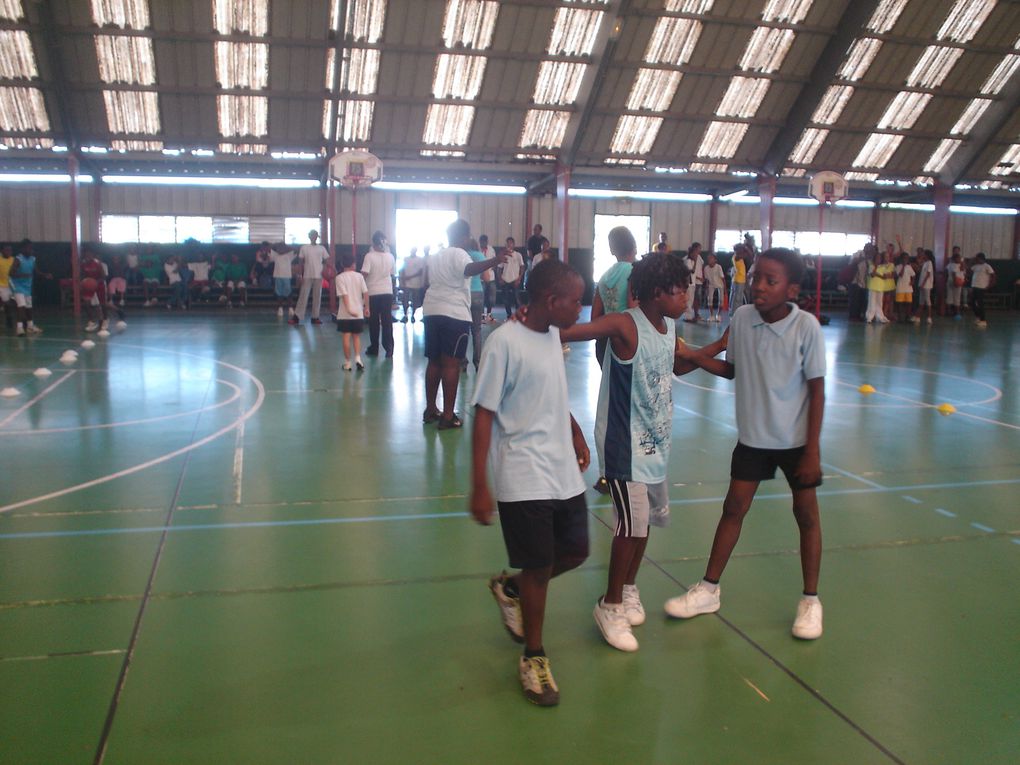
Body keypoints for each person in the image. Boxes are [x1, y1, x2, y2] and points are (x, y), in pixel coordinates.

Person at [559, 252, 728, 653]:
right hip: (623, 445)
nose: (687, 296)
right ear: (656, 292)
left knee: (644, 523)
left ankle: (629, 588)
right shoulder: (624, 324)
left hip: (655, 444)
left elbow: (675, 366)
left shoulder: (668, 327)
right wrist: (538, 326)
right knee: (629, 526)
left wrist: (721, 347)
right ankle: (610, 604)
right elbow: (573, 332)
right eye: (679, 290)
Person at [666, 248, 827, 641]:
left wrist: (813, 450)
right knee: (733, 509)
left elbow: (817, 391)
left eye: (771, 281)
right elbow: (733, 369)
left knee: (805, 516)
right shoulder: (741, 318)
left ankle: (810, 601)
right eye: (756, 278)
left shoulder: (806, 328)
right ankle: (708, 589)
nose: (759, 287)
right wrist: (695, 357)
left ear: (791, 288)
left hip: (795, 441)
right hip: (753, 438)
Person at [470, 258, 590, 706]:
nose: (581, 308)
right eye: (575, 301)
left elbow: (553, 392)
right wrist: (480, 484)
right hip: (522, 471)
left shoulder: (554, 335)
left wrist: (575, 432)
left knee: (575, 551)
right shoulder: (504, 343)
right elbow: (484, 413)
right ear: (549, 299)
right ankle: (534, 658)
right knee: (540, 566)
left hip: (561, 468)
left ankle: (513, 588)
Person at [421, 218, 506, 430]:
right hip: (454, 314)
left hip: (431, 310)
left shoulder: (436, 256)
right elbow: (469, 269)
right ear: (463, 236)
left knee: (434, 362)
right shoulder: (460, 253)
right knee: (451, 364)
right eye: (468, 236)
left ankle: (431, 409)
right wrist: (494, 261)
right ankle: (448, 416)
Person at [361, 231, 395, 356]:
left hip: (373, 292)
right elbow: (392, 274)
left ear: (373, 242)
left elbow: (364, 274)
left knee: (373, 321)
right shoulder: (390, 256)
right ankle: (389, 348)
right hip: (387, 292)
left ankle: (374, 348)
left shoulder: (369, 256)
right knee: (387, 321)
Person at [335, 253, 369, 371]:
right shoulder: (359, 277)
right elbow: (365, 293)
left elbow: (344, 295)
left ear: (342, 264)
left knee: (346, 336)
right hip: (358, 313)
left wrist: (349, 310)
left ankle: (348, 362)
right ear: (353, 264)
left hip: (345, 314)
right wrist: (367, 308)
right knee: (356, 337)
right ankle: (358, 359)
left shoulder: (339, 278)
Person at [10, 239, 50, 335]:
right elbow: (11, 273)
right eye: (28, 248)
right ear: (23, 249)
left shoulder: (32, 259)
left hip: (27, 287)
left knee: (29, 307)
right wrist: (22, 275)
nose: (31, 250)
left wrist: (44, 275)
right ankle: (19, 328)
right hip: (17, 286)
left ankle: (30, 326)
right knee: (21, 306)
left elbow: (36, 271)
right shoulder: (18, 259)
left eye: (32, 248)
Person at [291, 230, 328, 326]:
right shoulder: (304, 248)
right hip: (307, 274)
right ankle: (297, 317)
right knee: (303, 295)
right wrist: (299, 274)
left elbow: (327, 260)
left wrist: (325, 270)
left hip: (319, 275)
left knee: (317, 297)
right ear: (309, 236)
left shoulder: (322, 248)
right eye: (312, 235)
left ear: (317, 237)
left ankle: (315, 317)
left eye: (315, 235)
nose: (313, 237)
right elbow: (300, 262)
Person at [498, 236, 524, 319]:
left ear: (514, 244)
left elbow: (522, 267)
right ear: (505, 245)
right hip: (505, 279)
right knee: (506, 300)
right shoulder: (503, 255)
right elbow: (499, 268)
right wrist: (500, 278)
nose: (509, 245)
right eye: (507, 243)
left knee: (517, 299)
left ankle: (518, 316)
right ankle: (509, 315)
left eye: (511, 243)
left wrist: (519, 278)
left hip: (515, 279)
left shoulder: (518, 255)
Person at [398, 247, 425, 323]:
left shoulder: (419, 260)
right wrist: (402, 279)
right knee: (405, 299)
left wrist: (410, 276)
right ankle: (405, 315)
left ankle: (413, 316)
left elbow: (420, 271)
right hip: (406, 283)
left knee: (415, 301)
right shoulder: (406, 259)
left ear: (416, 251)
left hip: (416, 283)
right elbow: (402, 269)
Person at [969, 252, 996, 328]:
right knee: (971, 302)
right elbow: (969, 270)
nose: (976, 260)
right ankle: (978, 317)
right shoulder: (975, 266)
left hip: (981, 287)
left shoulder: (987, 266)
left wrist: (990, 285)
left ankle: (983, 320)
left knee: (980, 304)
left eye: (977, 259)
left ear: (981, 259)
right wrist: (971, 260)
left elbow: (993, 275)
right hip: (974, 287)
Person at [269, 243, 296, 318]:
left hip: (287, 276)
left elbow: (297, 250)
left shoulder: (289, 255)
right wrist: (276, 245)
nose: (281, 249)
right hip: (277, 276)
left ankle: (290, 308)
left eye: (282, 247)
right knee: (279, 293)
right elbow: (269, 248)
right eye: (279, 248)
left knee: (288, 292)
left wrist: (287, 247)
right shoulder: (275, 255)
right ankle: (280, 308)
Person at [865, 249, 891, 324]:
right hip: (873, 287)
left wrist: (879, 275)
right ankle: (869, 317)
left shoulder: (883, 267)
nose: (878, 260)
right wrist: (876, 269)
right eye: (877, 258)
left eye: (879, 258)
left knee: (879, 303)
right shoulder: (871, 266)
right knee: (871, 302)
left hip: (880, 287)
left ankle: (879, 317)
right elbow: (872, 274)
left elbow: (886, 276)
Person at [682, 242, 703, 322]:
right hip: (689, 283)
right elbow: (692, 271)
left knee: (691, 299)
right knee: (689, 300)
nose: (696, 255)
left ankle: (690, 316)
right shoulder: (688, 261)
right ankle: (688, 316)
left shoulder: (692, 261)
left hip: (693, 283)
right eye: (694, 253)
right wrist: (695, 260)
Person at [478, 234, 498, 322]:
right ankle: (482, 315)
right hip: (480, 278)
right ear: (480, 242)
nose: (483, 244)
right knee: (481, 297)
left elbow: (494, 261)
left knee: (491, 298)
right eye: (482, 243)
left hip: (491, 277)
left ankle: (489, 314)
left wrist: (492, 267)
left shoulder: (491, 249)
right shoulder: (477, 250)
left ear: (487, 242)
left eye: (485, 242)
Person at [702, 252, 726, 322]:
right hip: (711, 285)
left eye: (711, 258)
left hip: (720, 285)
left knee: (721, 300)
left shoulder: (718, 267)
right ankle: (711, 315)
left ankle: (718, 315)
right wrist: (707, 287)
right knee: (710, 299)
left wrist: (724, 289)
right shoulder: (706, 268)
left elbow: (722, 278)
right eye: (708, 258)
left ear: (715, 260)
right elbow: (707, 280)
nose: (709, 260)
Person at [894, 252, 914, 323]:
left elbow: (913, 275)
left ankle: (907, 317)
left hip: (908, 288)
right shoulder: (898, 267)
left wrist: (912, 281)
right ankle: (900, 318)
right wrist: (903, 266)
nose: (906, 259)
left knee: (909, 303)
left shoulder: (909, 267)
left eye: (907, 258)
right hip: (900, 287)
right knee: (900, 303)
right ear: (902, 259)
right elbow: (901, 275)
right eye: (905, 258)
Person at [914, 249, 934, 324]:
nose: (923, 255)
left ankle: (929, 317)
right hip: (922, 284)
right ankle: (918, 317)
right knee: (921, 301)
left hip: (927, 285)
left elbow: (928, 274)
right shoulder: (925, 263)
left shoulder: (929, 263)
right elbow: (918, 266)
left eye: (924, 254)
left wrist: (923, 283)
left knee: (928, 301)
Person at [728, 244, 748, 316]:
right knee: (737, 298)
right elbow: (746, 255)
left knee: (738, 298)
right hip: (738, 280)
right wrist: (746, 248)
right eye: (741, 249)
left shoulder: (738, 257)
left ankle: (736, 312)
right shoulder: (736, 257)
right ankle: (734, 313)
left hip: (740, 279)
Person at [0, 243, 15, 331]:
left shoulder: (13, 260)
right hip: (0, 285)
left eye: (10, 250)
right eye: (7, 250)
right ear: (2, 251)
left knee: (9, 305)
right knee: (6, 303)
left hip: (10, 285)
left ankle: (10, 320)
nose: (9, 252)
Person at [946, 250, 965, 319]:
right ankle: (956, 312)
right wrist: (955, 282)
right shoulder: (953, 265)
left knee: (951, 297)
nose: (960, 260)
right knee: (955, 298)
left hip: (956, 281)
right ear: (955, 259)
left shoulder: (955, 264)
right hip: (955, 281)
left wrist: (962, 263)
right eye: (959, 258)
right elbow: (954, 274)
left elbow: (962, 270)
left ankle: (950, 312)